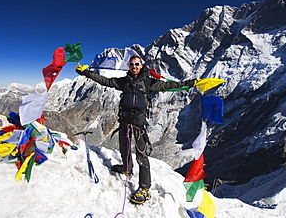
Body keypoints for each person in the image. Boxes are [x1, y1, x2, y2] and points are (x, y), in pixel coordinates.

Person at [76, 54, 196, 204]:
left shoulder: (149, 82)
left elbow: (169, 86)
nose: (134, 67)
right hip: (125, 121)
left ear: (142, 65)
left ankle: (144, 188)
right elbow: (105, 81)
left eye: (137, 64)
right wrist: (87, 73)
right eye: (132, 64)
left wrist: (192, 83)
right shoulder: (124, 82)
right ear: (129, 66)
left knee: (141, 155)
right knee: (124, 148)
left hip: (139, 124)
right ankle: (127, 169)